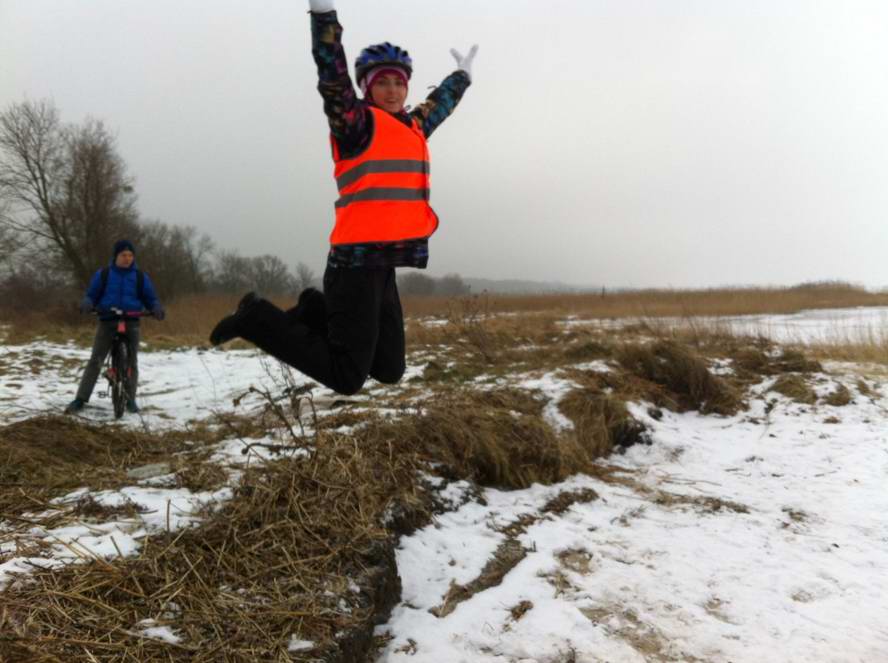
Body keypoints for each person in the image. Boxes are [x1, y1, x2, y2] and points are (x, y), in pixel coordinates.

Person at [209, 0, 477, 396]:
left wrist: (461, 78)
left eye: (400, 82)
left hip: (383, 265)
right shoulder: (355, 124)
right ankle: (255, 318)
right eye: (383, 82)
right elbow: (331, 76)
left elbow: (439, 106)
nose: (393, 90)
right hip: (352, 264)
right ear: (367, 87)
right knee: (346, 376)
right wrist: (323, 19)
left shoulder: (411, 126)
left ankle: (314, 310)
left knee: (388, 368)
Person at [65, 239, 165, 414]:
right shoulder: (104, 274)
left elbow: (151, 298)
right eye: (123, 255)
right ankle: (80, 398)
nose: (127, 258)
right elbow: (92, 294)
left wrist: (156, 308)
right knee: (96, 360)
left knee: (132, 362)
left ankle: (130, 400)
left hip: (131, 321)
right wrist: (88, 303)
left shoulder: (140, 277)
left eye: (130, 255)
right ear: (116, 256)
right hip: (108, 320)